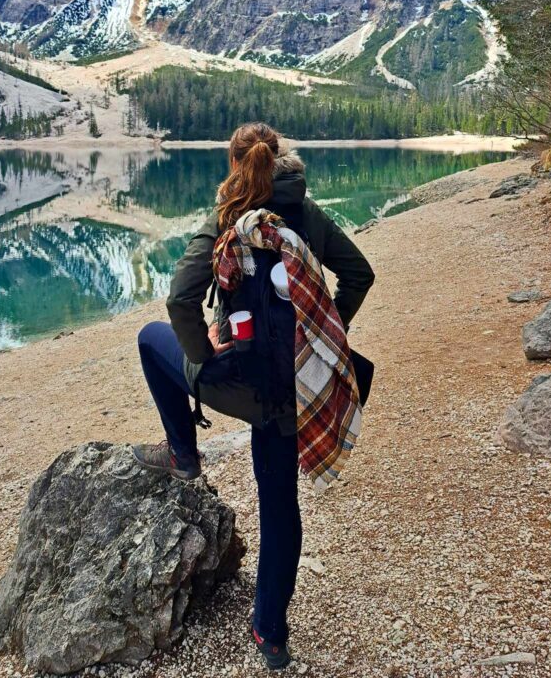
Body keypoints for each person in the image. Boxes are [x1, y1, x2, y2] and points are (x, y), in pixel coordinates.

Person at [133, 123, 375, 669]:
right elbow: (359, 274)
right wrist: (319, 335)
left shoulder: (227, 216)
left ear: (234, 164)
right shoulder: (305, 212)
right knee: (281, 504)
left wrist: (202, 357)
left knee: (151, 339)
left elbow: (179, 301)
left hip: (238, 383)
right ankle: (270, 633)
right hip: (293, 392)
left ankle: (182, 452)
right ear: (282, 157)